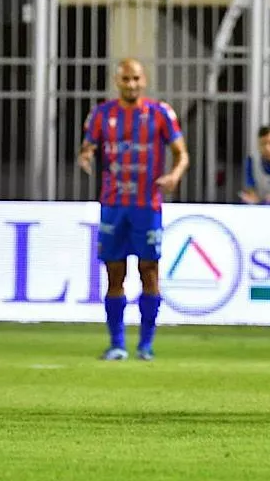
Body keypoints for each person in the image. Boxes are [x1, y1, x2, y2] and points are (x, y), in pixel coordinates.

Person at [78, 59, 190, 361]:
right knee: (115, 274)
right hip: (113, 204)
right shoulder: (101, 115)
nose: (131, 84)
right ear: (117, 80)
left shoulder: (160, 113)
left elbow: (182, 155)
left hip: (147, 205)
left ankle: (146, 345)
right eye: (126, 79)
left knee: (149, 271)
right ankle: (117, 344)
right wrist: (85, 156)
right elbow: (87, 147)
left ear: (145, 79)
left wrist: (175, 175)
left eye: (136, 79)